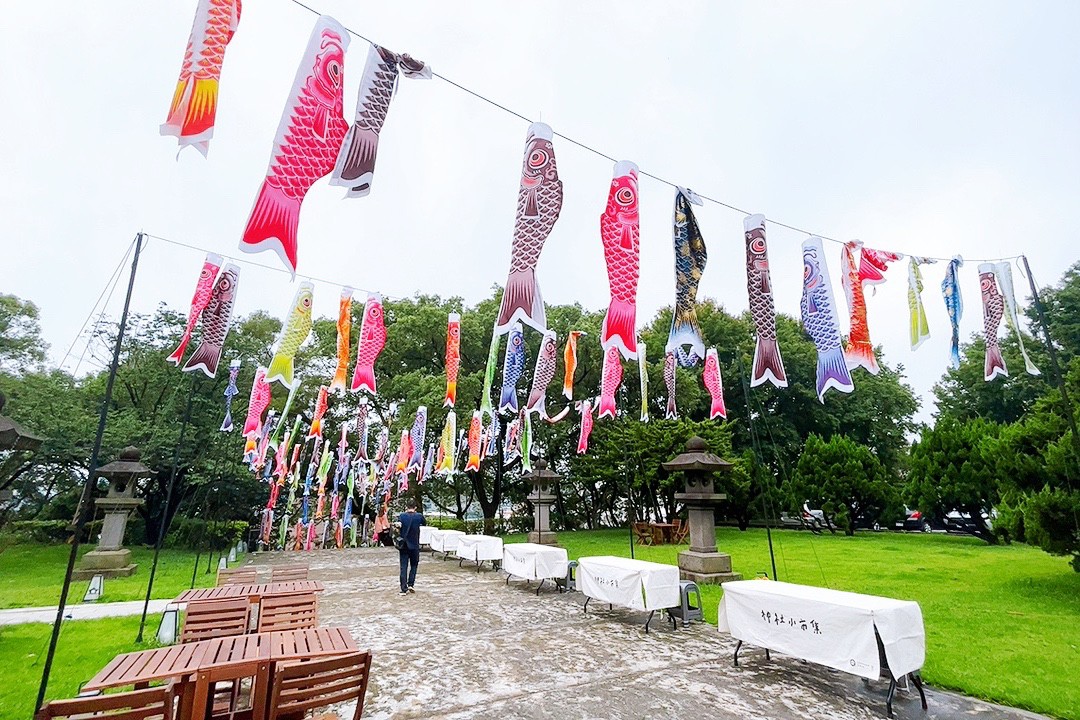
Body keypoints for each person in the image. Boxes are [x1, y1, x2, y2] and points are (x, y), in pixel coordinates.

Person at [397, 499, 425, 595]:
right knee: (414, 565)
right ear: (415, 507)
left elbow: (398, 527)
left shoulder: (402, 516)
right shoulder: (419, 516)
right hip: (415, 545)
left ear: (406, 507)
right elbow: (424, 523)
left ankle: (403, 589)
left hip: (404, 545)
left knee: (403, 567)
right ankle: (411, 584)